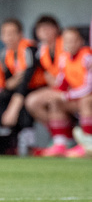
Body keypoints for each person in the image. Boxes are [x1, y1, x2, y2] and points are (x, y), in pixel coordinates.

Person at [28, 28, 92, 157]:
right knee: (55, 101)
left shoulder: (87, 56)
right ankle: (61, 143)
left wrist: (66, 95)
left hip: (85, 96)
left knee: (86, 101)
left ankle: (88, 143)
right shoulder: (63, 57)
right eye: (67, 41)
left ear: (80, 41)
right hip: (75, 96)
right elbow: (62, 82)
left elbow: (88, 87)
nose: (70, 44)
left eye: (73, 41)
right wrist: (57, 93)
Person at [0, 18, 46, 142]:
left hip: (36, 87)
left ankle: (27, 136)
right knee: (2, 96)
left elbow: (27, 78)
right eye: (5, 34)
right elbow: (7, 82)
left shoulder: (29, 49)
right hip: (19, 88)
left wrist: (14, 106)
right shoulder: (4, 54)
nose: (8, 37)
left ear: (20, 34)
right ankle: (7, 133)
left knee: (24, 100)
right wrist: (12, 82)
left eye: (12, 33)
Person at [24, 15, 68, 156]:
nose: (44, 31)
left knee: (52, 101)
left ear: (56, 29)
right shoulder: (41, 50)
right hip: (57, 87)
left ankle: (62, 140)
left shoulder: (66, 44)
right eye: (41, 28)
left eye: (48, 28)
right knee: (31, 101)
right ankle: (61, 137)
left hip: (71, 87)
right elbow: (48, 76)